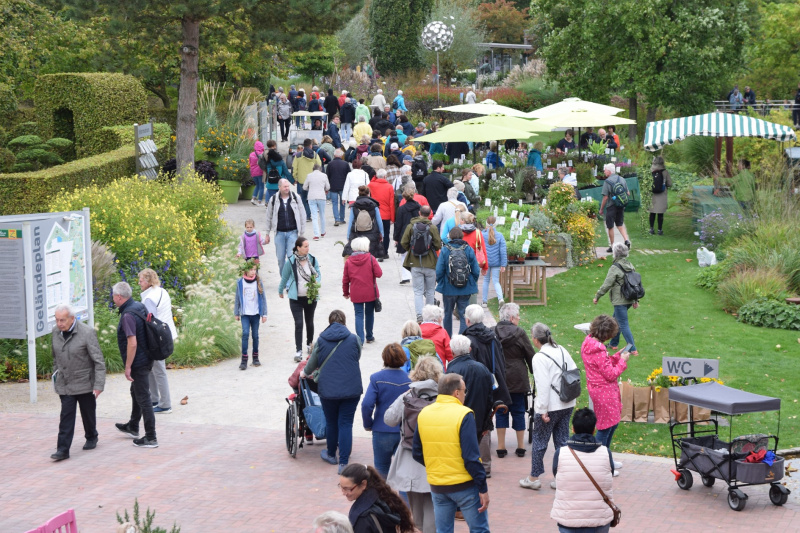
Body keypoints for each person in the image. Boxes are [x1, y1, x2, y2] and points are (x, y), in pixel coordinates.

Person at [413, 369, 490, 533]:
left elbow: (417, 452)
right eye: (464, 391)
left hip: (438, 485)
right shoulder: (464, 414)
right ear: (456, 393)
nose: (465, 395)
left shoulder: (424, 413)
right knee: (479, 530)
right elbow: (471, 457)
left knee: (443, 530)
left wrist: (437, 466)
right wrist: (482, 487)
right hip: (464, 485)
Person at [385, 355, 442, 533]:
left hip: (410, 458)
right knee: (434, 507)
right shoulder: (444, 397)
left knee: (415, 511)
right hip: (437, 458)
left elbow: (389, 419)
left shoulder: (407, 396)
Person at [302, 310, 363, 474]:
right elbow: (356, 357)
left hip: (328, 389)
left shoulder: (321, 340)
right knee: (346, 423)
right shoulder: (354, 338)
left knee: (331, 421)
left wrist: (303, 373)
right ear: (344, 321)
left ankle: (330, 454)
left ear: (329, 322)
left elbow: (311, 364)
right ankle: (343, 462)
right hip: (351, 388)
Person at [520, 323, 578, 490]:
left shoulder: (539, 358)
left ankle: (534, 478)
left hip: (550, 406)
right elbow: (573, 371)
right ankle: (561, 478)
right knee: (562, 442)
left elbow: (543, 386)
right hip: (567, 402)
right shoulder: (561, 349)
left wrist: (543, 410)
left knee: (539, 442)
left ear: (535, 339)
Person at [50, 304, 106, 461]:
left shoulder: (87, 333)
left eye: (62, 320)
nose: (59, 324)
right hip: (65, 383)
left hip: (84, 382)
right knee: (66, 416)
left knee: (87, 412)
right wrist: (56, 376)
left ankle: (91, 435)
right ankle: (62, 449)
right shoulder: (56, 332)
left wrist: (98, 385)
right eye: (57, 320)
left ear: (72, 319)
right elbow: (55, 356)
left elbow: (99, 362)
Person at [462, 304, 511, 476]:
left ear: (467, 320)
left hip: (473, 387)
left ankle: (471, 463)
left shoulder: (468, 340)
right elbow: (500, 360)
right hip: (491, 384)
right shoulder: (492, 336)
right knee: (486, 423)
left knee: (469, 423)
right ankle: (485, 466)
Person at [550, 408, 616, 533]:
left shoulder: (561, 453)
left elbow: (556, 475)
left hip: (568, 519)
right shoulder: (605, 453)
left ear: (573, 429)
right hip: (599, 520)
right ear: (594, 430)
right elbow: (610, 474)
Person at [581, 314, 629, 475]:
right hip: (604, 392)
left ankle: (606, 457)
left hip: (599, 390)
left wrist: (616, 357)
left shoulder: (589, 343)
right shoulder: (599, 349)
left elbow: (602, 366)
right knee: (605, 427)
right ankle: (599, 464)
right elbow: (610, 374)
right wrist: (623, 361)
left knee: (612, 423)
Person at [112, 282, 158, 448]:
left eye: (113, 296)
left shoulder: (127, 316)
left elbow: (132, 343)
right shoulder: (139, 305)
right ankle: (133, 425)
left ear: (119, 297)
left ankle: (151, 437)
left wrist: (128, 366)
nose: (113, 298)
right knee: (136, 392)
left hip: (138, 362)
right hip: (147, 357)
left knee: (144, 397)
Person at [361, 344, 411, 478]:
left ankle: (383, 499)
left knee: (381, 471)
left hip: (381, 429)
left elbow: (366, 404)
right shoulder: (410, 380)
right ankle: (404, 500)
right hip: (403, 431)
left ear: (384, 357)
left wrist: (368, 424)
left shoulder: (376, 378)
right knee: (404, 473)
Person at [493, 303, 534, 458]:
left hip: (500, 376)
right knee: (518, 410)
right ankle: (521, 446)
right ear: (511, 318)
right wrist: (533, 370)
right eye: (517, 316)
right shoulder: (520, 333)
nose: (519, 319)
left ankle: (501, 446)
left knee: (500, 410)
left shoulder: (493, 332)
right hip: (518, 377)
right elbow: (530, 354)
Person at [138, 269, 178, 412]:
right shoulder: (162, 291)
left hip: (157, 339)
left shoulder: (149, 298)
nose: (139, 283)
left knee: (158, 370)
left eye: (141, 280)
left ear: (148, 281)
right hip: (167, 335)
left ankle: (165, 404)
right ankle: (154, 400)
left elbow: (151, 321)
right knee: (153, 369)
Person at [279, 237, 321, 362]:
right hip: (295, 299)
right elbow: (285, 276)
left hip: (310, 297)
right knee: (298, 323)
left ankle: (309, 344)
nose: (308, 248)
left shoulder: (312, 259)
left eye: (308, 246)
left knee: (309, 321)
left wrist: (316, 282)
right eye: (305, 246)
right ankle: (298, 350)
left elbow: (318, 273)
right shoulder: (291, 261)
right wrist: (280, 290)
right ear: (298, 248)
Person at [338, 463, 415, 533]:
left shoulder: (363, 517)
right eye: (341, 487)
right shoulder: (382, 495)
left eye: (347, 489)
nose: (343, 493)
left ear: (363, 484)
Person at [594, 242, 639, 355]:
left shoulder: (615, 267)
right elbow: (634, 283)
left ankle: (633, 349)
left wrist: (597, 296)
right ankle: (614, 344)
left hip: (620, 301)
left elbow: (607, 284)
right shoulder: (630, 265)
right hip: (629, 298)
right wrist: (635, 300)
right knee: (615, 321)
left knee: (623, 324)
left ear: (615, 253)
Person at [401, 206, 442, 322]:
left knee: (418, 291)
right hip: (430, 264)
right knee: (430, 291)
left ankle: (419, 315)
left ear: (419, 213)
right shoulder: (432, 228)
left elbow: (404, 242)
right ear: (430, 214)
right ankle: (429, 316)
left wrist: (412, 249)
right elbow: (438, 245)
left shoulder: (411, 226)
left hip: (415, 263)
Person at [437, 227, 480, 337]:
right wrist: (471, 281)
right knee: (463, 314)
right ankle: (462, 339)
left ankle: (447, 338)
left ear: (450, 237)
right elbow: (476, 270)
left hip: (448, 288)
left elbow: (439, 270)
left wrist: (441, 282)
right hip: (465, 288)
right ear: (462, 236)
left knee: (447, 314)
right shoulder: (468, 249)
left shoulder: (446, 250)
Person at [343, 237, 383, 344]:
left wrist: (346, 292)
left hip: (356, 293)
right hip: (370, 292)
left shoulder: (349, 261)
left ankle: (360, 339)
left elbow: (345, 279)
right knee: (369, 313)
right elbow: (379, 274)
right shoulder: (371, 258)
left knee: (358, 315)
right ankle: (369, 336)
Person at [265, 178, 307, 274]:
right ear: (279, 187)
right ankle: (284, 280)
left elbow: (302, 214)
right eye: (285, 186)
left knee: (291, 258)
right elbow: (268, 217)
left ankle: (289, 284)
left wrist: (302, 232)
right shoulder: (274, 199)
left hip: (293, 233)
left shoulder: (296, 197)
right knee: (280, 260)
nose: (287, 188)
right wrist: (267, 233)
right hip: (279, 234)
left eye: (288, 186)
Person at [234, 261, 268, 370]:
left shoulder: (258, 282)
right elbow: (237, 299)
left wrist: (264, 314)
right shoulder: (240, 282)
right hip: (245, 314)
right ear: (246, 270)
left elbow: (263, 298)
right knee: (245, 334)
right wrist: (236, 313)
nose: (253, 272)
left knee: (255, 335)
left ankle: (255, 357)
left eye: (254, 270)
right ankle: (244, 359)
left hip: (256, 313)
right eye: (251, 270)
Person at [345, 185, 386, 260]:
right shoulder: (373, 205)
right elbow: (379, 221)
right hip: (372, 234)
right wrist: (381, 234)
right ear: (368, 194)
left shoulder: (354, 205)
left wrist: (348, 236)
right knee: (371, 257)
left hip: (357, 234)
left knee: (358, 257)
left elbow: (350, 222)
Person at [599, 163, 631, 253]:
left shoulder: (607, 182)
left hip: (611, 206)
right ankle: (626, 240)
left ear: (609, 171)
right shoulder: (622, 179)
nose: (604, 172)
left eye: (605, 170)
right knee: (620, 224)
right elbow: (627, 193)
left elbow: (605, 197)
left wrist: (601, 209)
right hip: (620, 205)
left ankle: (612, 246)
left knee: (610, 226)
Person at [393, 185, 420, 285]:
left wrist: (396, 237)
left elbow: (398, 224)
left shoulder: (401, 209)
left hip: (404, 233)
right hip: (416, 233)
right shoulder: (418, 207)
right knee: (416, 255)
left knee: (404, 255)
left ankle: (406, 276)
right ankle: (415, 276)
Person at [369, 168, 396, 256]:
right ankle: (384, 252)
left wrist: (374, 177)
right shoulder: (389, 187)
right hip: (386, 214)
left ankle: (376, 251)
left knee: (375, 233)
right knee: (386, 234)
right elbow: (391, 203)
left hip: (374, 214)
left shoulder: (371, 185)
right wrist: (392, 218)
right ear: (385, 176)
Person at [293, 139, 322, 217]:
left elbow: (294, 168)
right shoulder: (315, 155)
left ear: (303, 146)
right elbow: (319, 166)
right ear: (311, 146)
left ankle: (307, 215)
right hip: (313, 180)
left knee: (303, 198)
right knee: (312, 198)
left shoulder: (298, 155)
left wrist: (295, 177)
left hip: (302, 180)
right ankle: (313, 214)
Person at [481, 216, 507, 305]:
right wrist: (503, 264)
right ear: (496, 224)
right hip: (496, 262)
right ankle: (501, 299)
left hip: (486, 263)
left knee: (486, 281)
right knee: (496, 281)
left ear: (486, 224)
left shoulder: (482, 235)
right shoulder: (500, 235)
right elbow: (503, 251)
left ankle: (484, 302)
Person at [304, 163, 331, 241]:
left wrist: (310, 188)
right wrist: (324, 189)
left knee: (314, 215)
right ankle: (323, 232)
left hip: (311, 197)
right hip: (321, 196)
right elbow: (328, 187)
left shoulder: (309, 176)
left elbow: (304, 187)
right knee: (322, 214)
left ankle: (316, 235)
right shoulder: (324, 176)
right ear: (320, 169)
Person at [262, 139, 292, 205]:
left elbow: (260, 163)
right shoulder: (281, 162)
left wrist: (265, 170)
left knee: (270, 194)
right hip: (279, 183)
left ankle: (268, 203)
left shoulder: (267, 161)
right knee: (279, 199)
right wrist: (292, 181)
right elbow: (286, 172)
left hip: (270, 181)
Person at [649, 155, 673, 235]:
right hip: (662, 195)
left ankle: (651, 229)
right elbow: (669, 184)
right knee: (660, 214)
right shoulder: (665, 172)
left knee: (652, 213)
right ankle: (659, 230)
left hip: (652, 195)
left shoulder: (651, 171)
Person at [327, 149, 350, 226]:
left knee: (334, 203)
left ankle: (336, 219)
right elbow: (348, 176)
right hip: (343, 186)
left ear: (334, 155)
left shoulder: (330, 164)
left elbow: (327, 176)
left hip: (333, 186)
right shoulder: (345, 164)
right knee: (342, 203)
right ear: (341, 155)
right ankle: (342, 219)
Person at [248, 140, 266, 206]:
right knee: (261, 187)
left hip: (253, 172)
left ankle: (253, 198)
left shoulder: (251, 154)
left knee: (257, 186)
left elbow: (250, 163)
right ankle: (259, 202)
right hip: (260, 172)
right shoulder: (262, 154)